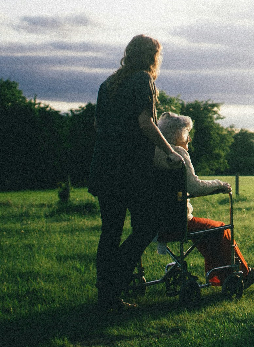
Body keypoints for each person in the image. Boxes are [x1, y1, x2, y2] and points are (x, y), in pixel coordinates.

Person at [88, 34, 183, 311]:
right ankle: (114, 283)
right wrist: (169, 151)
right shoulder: (143, 80)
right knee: (146, 227)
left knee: (111, 232)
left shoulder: (108, 84)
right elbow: (146, 122)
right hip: (129, 170)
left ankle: (107, 295)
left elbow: (98, 124)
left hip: (104, 166)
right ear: (152, 56)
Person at [153, 112, 254, 288]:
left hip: (155, 222)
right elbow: (195, 187)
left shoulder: (154, 153)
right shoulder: (178, 153)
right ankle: (243, 273)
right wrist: (220, 185)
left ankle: (219, 276)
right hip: (178, 222)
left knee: (208, 232)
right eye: (186, 133)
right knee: (220, 229)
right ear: (176, 134)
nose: (189, 138)